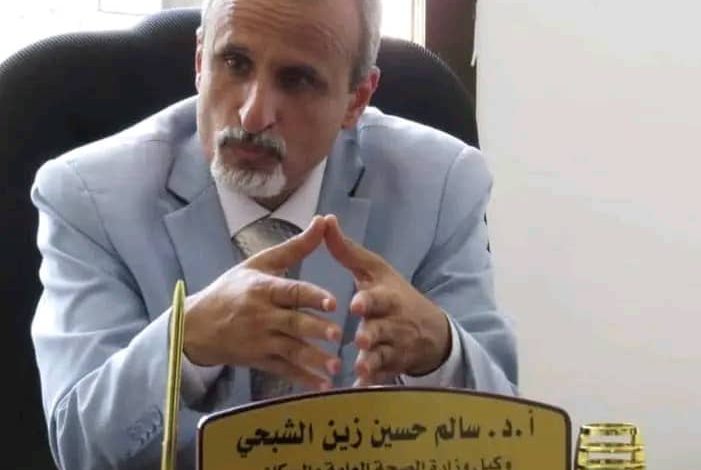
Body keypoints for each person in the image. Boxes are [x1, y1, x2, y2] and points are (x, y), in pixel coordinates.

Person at [30, 0, 517, 469]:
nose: (253, 114)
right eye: (235, 63)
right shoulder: (89, 197)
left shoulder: (440, 184)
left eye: (297, 79)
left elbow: (512, 437)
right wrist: (186, 345)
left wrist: (440, 351)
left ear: (356, 100)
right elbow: (79, 448)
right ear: (200, 61)